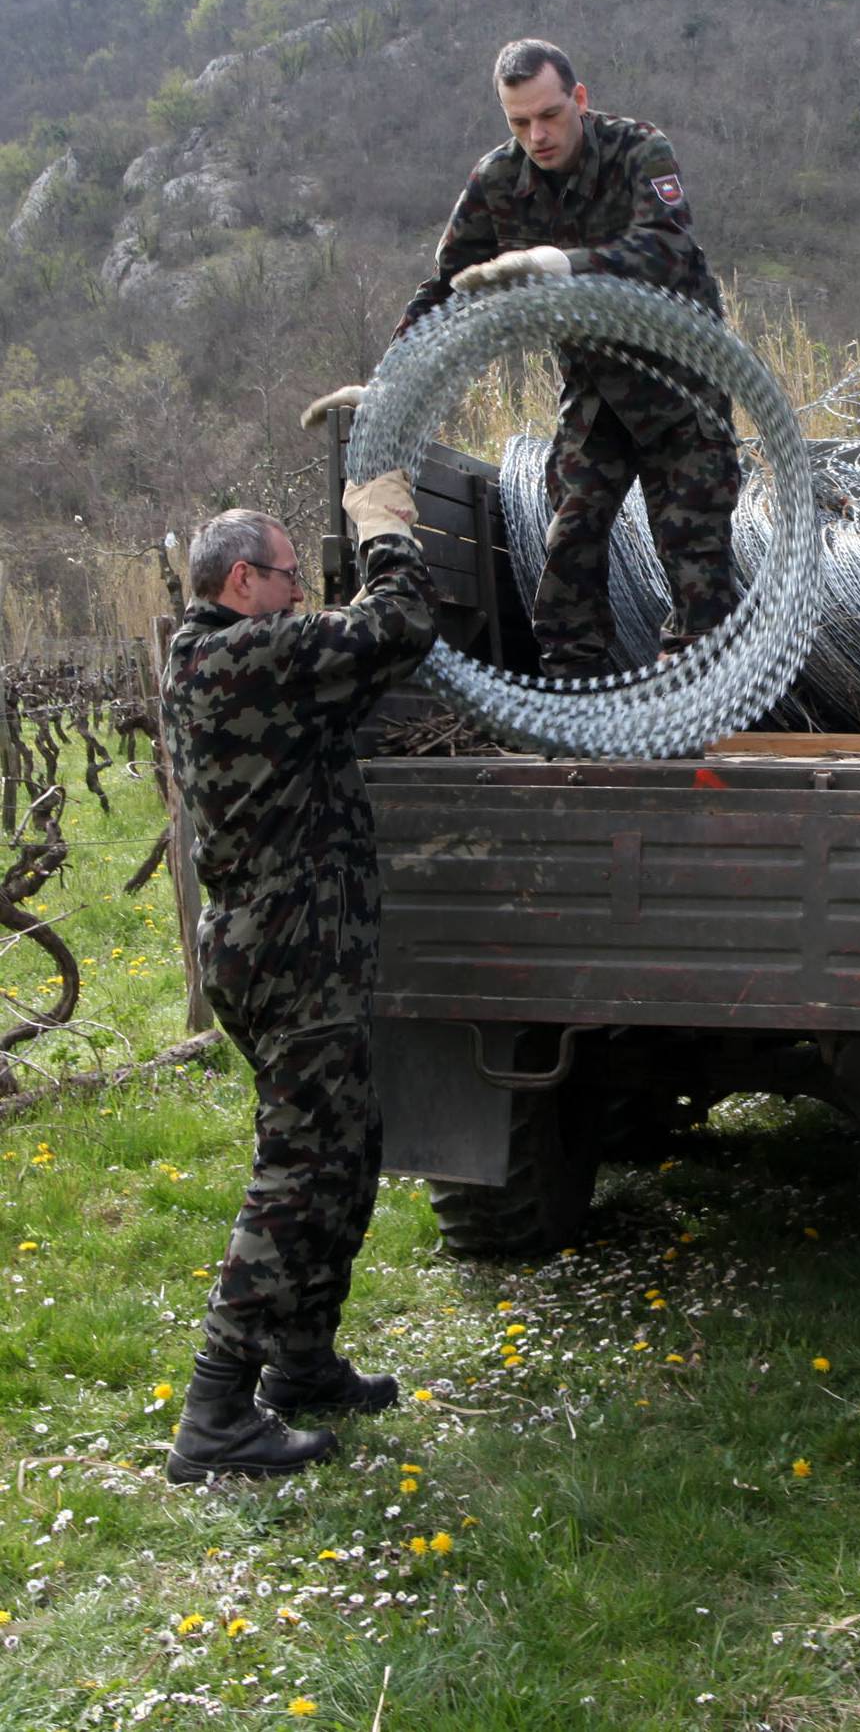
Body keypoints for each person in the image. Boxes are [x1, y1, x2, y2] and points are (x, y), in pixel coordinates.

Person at [159, 476, 437, 1482]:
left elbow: (356, 663)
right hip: (289, 954)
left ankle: (303, 1364)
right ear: (243, 580)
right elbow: (397, 624)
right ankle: (216, 1407)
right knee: (294, 1171)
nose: (299, 591)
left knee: (345, 1151)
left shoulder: (243, 660)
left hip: (290, 948)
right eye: (286, 575)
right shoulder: (245, 656)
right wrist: (385, 536)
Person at [398, 36, 740, 677]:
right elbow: (445, 287)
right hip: (595, 387)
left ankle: (702, 688)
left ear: (578, 100)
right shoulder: (498, 181)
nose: (538, 135)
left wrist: (564, 266)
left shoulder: (639, 149)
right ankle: (574, 692)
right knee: (569, 538)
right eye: (519, 122)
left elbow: (666, 249)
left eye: (550, 115)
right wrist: (392, 380)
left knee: (695, 547)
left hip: (683, 384)